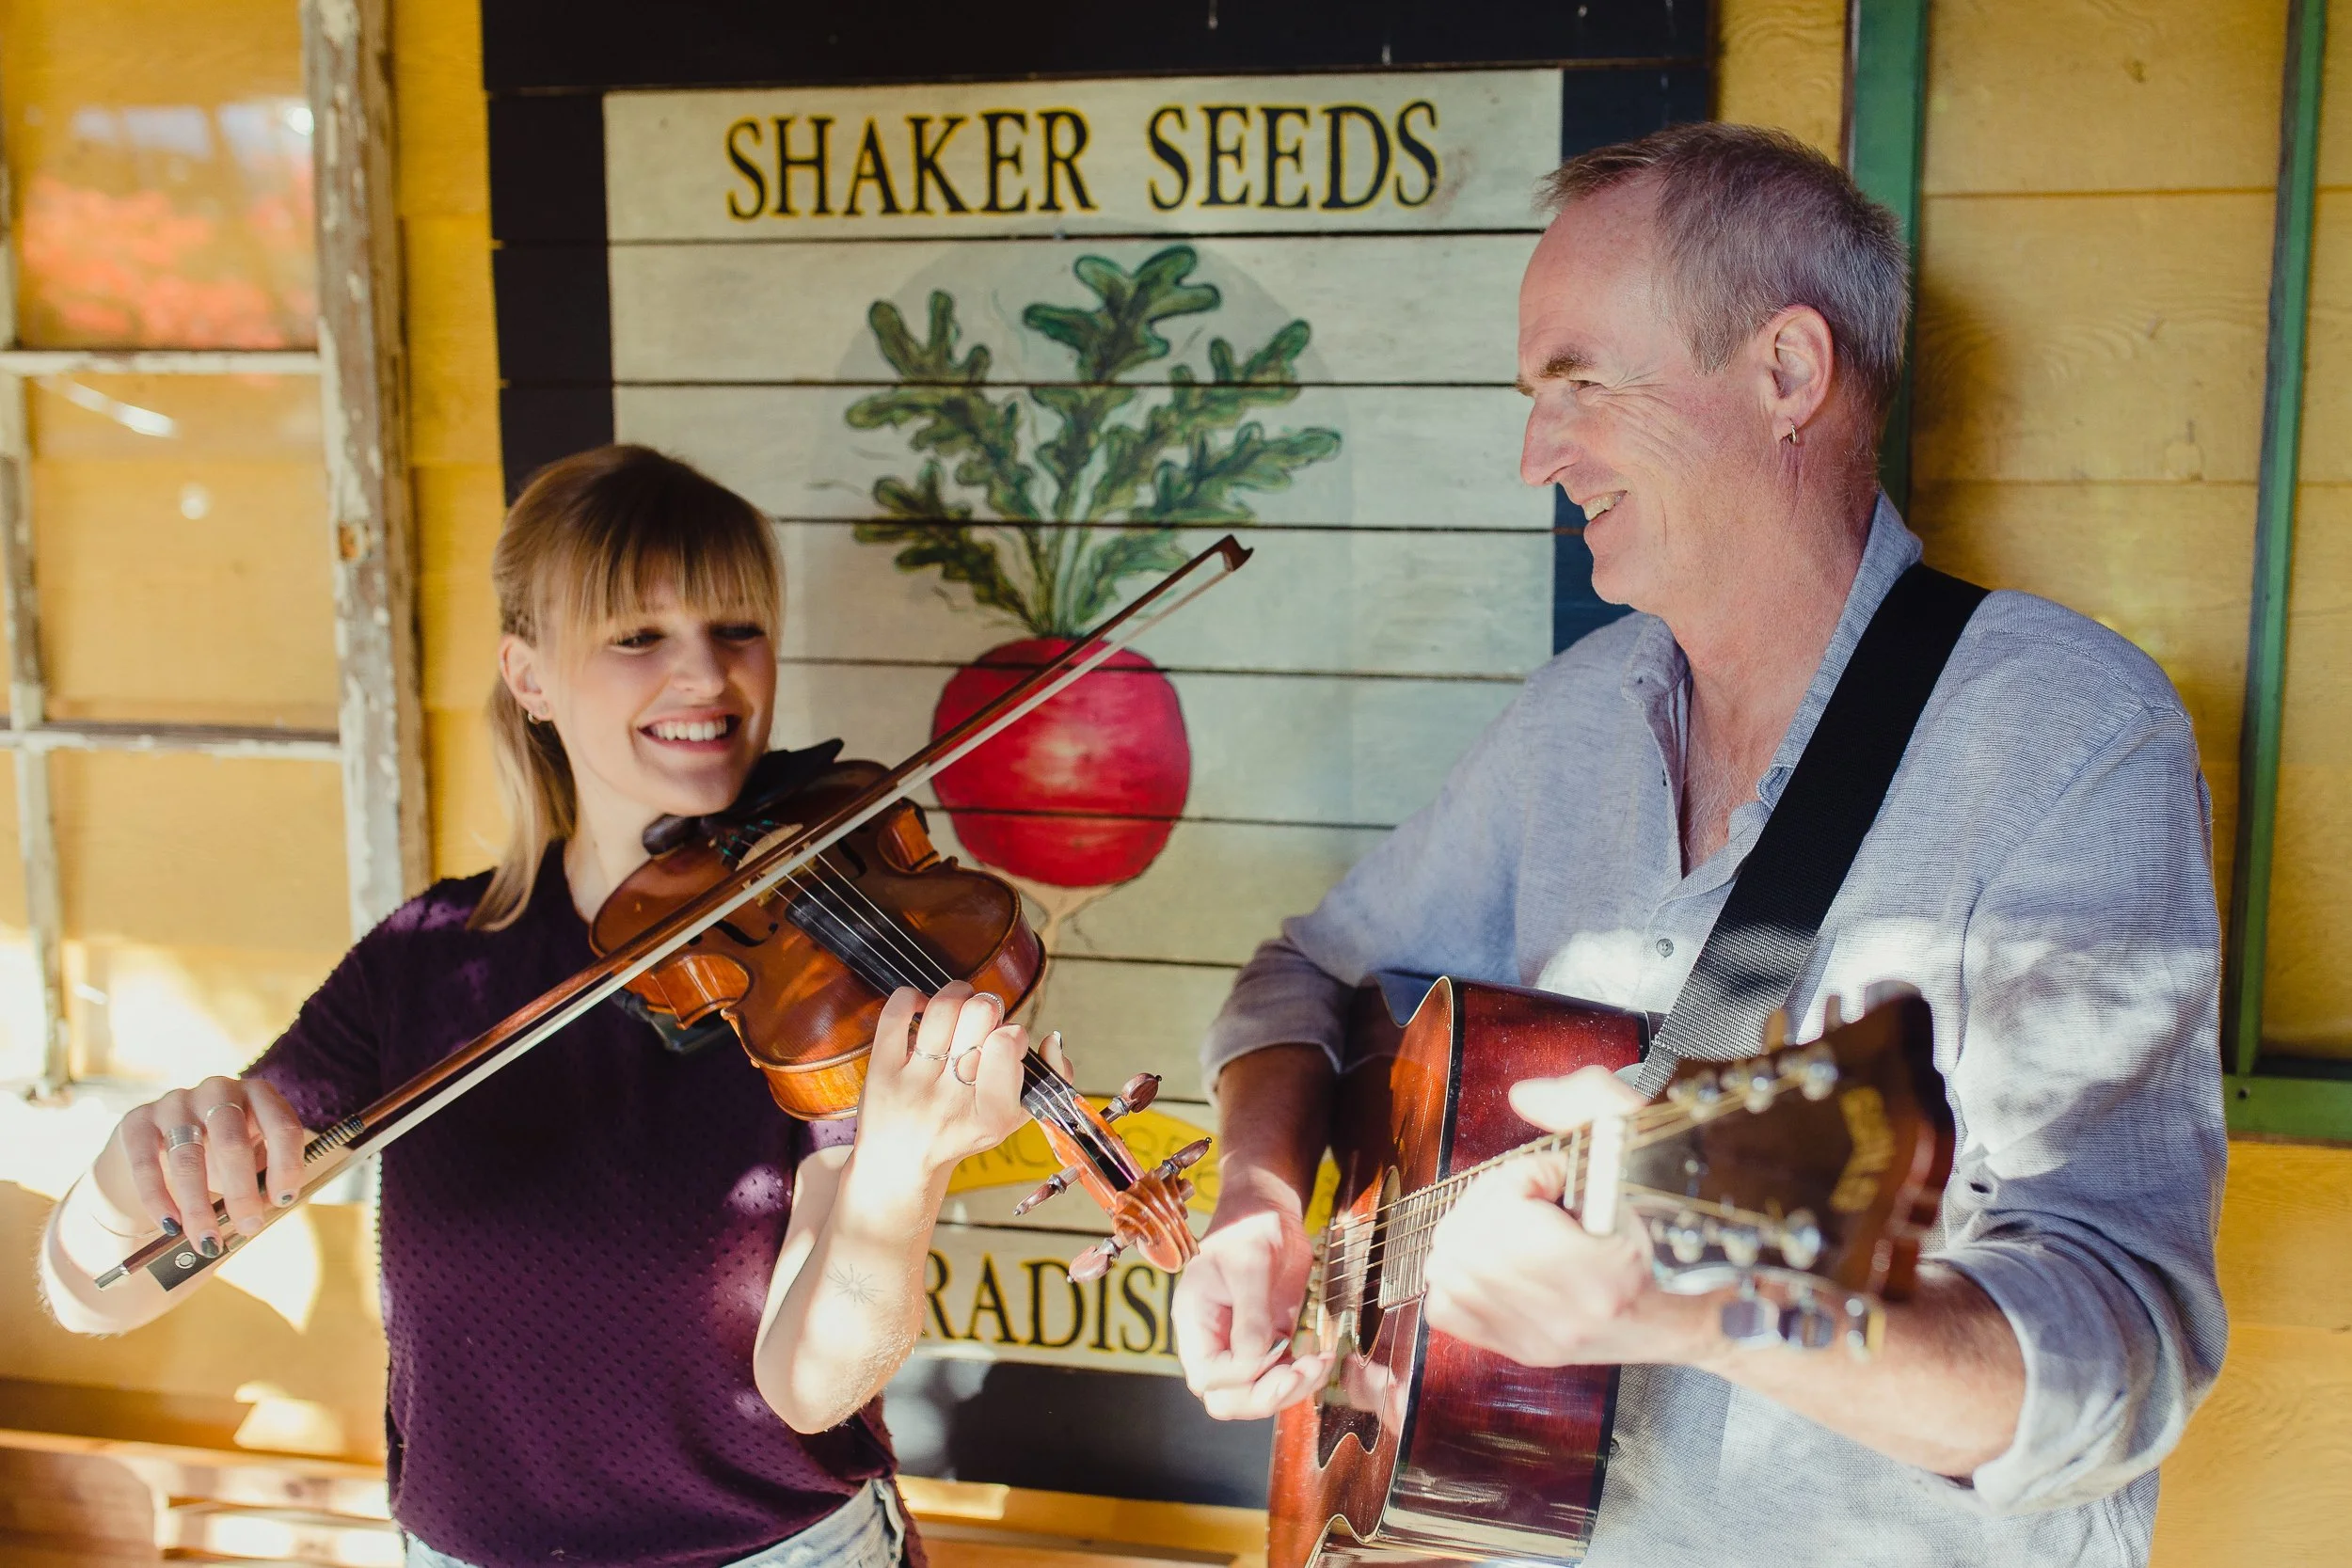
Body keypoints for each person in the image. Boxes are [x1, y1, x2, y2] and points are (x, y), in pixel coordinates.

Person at [1171, 124, 2226, 1566]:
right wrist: (1261, 1201)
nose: (1538, 451)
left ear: (1787, 372)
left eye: (1580, 382)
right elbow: (1299, 976)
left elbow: (2129, 1349)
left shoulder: (2066, 737)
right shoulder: (1577, 721)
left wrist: (1703, 1305)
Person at [40, 445, 1033, 1568]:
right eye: (637, 635)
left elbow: (810, 1385)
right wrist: (133, 1178)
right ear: (530, 676)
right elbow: (95, 1296)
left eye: (736, 628)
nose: (706, 675)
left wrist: (899, 1180)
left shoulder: (824, 976)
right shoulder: (426, 961)